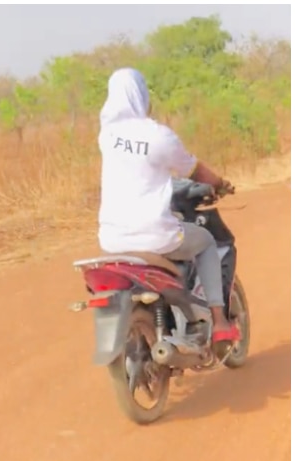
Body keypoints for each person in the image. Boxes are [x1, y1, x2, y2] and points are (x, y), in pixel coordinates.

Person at [96, 67, 239, 345]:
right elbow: (194, 170)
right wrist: (220, 184)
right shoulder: (159, 136)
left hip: (112, 240)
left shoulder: (106, 136)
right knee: (207, 241)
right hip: (155, 235)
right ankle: (220, 321)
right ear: (142, 95)